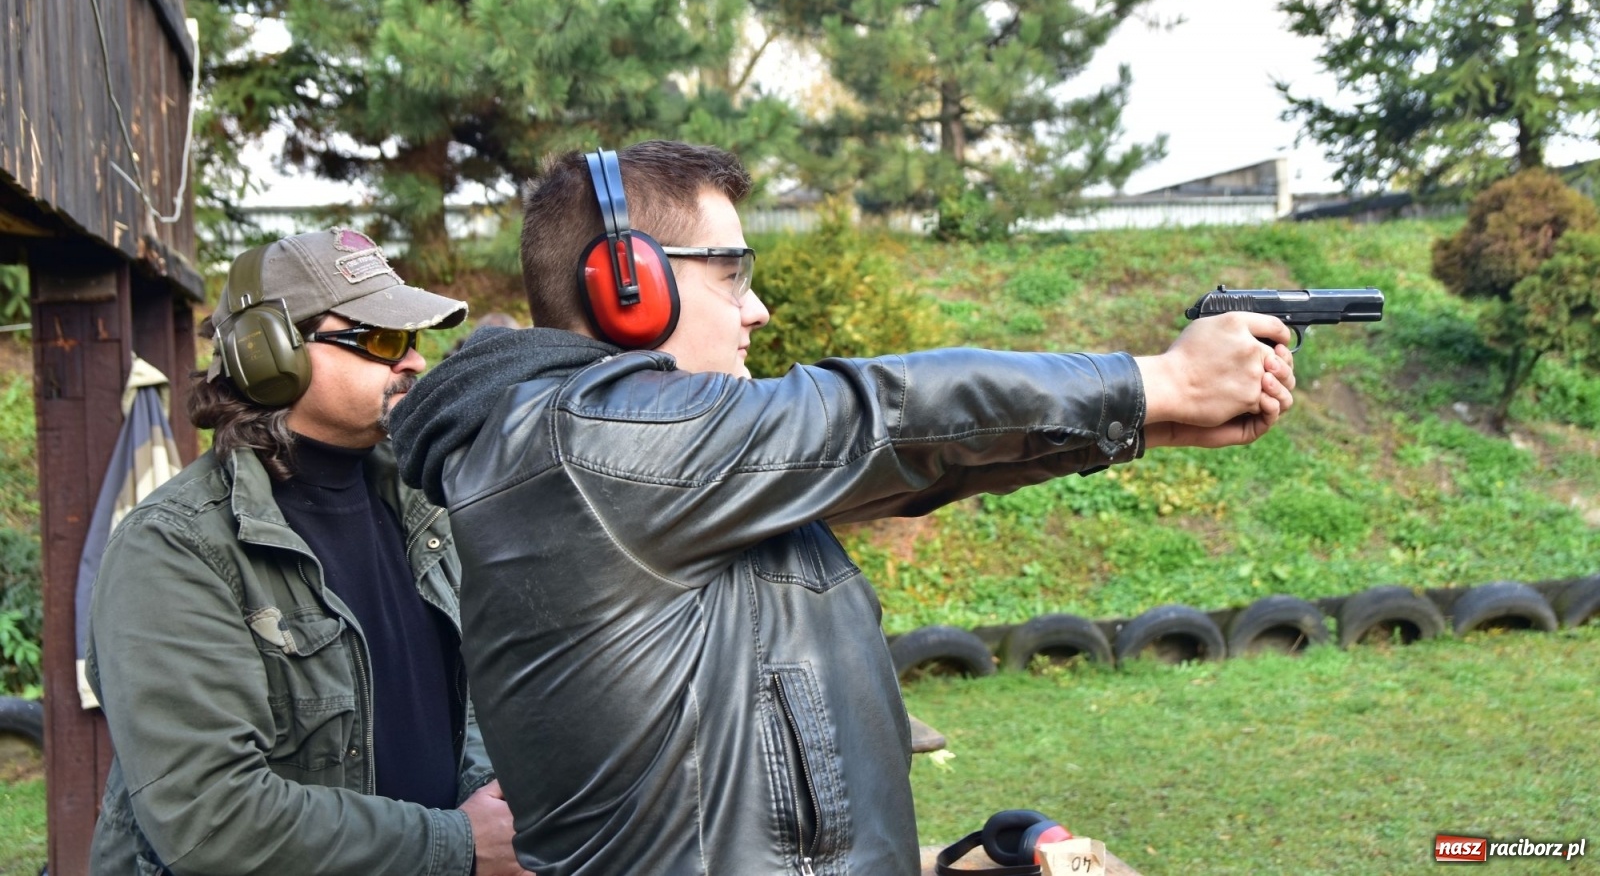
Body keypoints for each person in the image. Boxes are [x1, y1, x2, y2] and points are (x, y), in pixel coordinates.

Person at [388, 142, 1296, 876]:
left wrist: (1149, 423)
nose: (759, 308)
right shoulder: (578, 450)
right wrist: (1160, 381)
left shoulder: (645, 468)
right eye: (733, 273)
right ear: (630, 284)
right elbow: (880, 416)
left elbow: (909, 471)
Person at [85, 228, 534, 876]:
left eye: (412, 341)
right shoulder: (174, 551)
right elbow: (212, 816)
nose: (412, 361)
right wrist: (457, 846)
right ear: (270, 354)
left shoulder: (423, 507)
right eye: (381, 339)